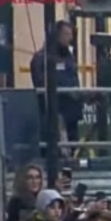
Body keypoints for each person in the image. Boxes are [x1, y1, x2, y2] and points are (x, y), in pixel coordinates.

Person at [30, 21, 83, 150]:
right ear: (56, 35)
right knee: (55, 146)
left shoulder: (69, 57)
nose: (69, 38)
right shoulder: (40, 58)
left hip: (71, 112)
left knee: (73, 144)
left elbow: (74, 80)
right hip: (52, 111)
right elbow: (40, 82)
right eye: (66, 34)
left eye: (70, 35)